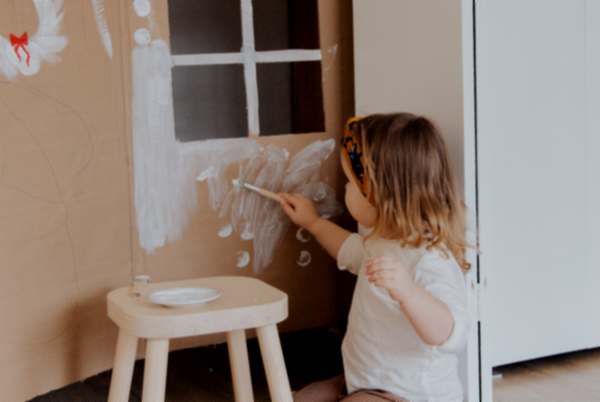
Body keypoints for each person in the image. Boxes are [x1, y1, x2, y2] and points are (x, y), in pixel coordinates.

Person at [279, 113, 472, 402]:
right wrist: (313, 223)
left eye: (351, 182)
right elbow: (350, 250)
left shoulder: (429, 257)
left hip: (408, 395)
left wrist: (408, 292)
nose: (344, 188)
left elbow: (452, 334)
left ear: (381, 193)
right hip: (363, 380)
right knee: (298, 399)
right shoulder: (384, 241)